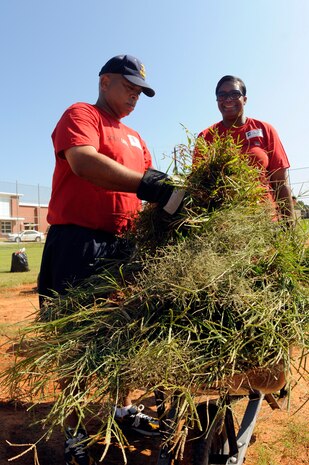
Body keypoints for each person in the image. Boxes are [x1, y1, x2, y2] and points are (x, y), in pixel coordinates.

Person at [38, 54, 184, 465]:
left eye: (140, 91)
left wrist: (175, 208)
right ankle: (75, 430)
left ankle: (122, 410)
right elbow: (83, 162)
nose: (135, 96)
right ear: (105, 82)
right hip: (77, 244)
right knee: (73, 344)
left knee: (124, 337)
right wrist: (147, 184)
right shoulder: (81, 114)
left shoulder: (138, 139)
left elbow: (153, 194)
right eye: (129, 87)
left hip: (123, 250)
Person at [197, 75, 294, 220]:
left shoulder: (265, 130)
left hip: (265, 220)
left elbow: (280, 183)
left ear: (245, 99)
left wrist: (289, 226)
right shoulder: (206, 137)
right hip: (223, 223)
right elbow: (200, 188)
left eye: (235, 94)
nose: (228, 99)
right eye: (222, 95)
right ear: (217, 101)